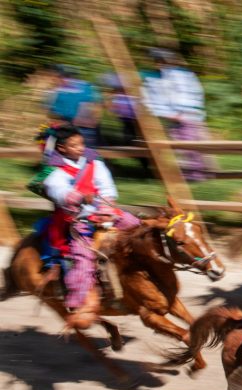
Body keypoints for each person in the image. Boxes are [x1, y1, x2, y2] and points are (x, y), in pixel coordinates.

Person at [34, 123, 141, 326]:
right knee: (83, 258)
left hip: (104, 212)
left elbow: (106, 186)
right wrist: (81, 198)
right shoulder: (55, 172)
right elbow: (59, 192)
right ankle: (79, 300)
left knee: (137, 227)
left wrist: (107, 208)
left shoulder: (94, 163)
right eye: (74, 145)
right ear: (62, 148)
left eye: (81, 143)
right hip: (78, 220)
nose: (80, 148)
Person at [141, 48, 214, 181]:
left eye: (159, 60)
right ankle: (196, 172)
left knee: (190, 145)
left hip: (186, 115)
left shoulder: (179, 75)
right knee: (184, 145)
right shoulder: (165, 76)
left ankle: (198, 173)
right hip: (178, 116)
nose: (157, 63)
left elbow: (184, 94)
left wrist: (183, 111)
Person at [45, 65, 102, 147]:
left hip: (80, 127)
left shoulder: (58, 91)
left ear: (62, 77)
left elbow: (51, 112)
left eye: (55, 77)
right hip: (81, 127)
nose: (53, 80)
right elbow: (97, 106)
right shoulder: (87, 86)